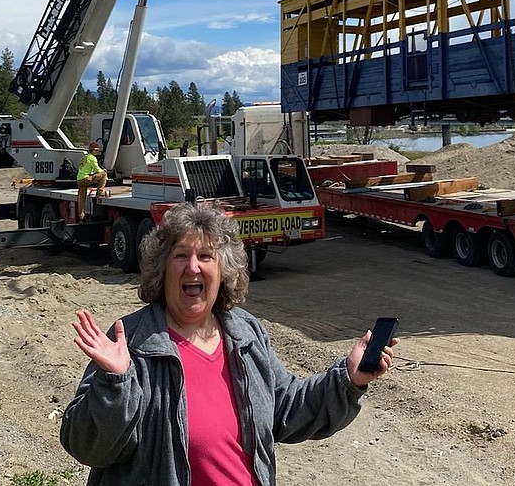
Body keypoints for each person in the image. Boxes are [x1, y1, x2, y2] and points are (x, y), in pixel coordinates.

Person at [60, 201, 397, 485]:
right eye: (180, 255)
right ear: (162, 269)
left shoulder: (245, 334)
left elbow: (286, 409)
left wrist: (348, 379)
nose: (193, 267)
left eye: (206, 256)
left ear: (223, 270)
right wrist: (115, 384)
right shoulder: (131, 342)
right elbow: (86, 446)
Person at [76, 142, 108, 219]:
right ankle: (100, 191)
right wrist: (104, 170)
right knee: (103, 174)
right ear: (93, 151)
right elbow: (97, 169)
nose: (97, 152)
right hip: (86, 179)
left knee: (82, 199)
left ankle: (81, 215)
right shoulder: (92, 158)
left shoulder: (85, 157)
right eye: (96, 151)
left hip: (79, 179)